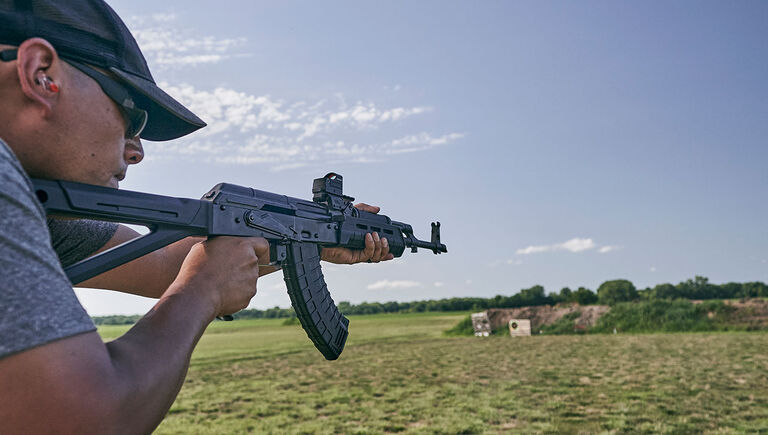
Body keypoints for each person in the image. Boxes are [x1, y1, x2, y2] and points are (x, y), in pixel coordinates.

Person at [0, 1, 391, 432]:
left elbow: (167, 267)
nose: (137, 150)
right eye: (133, 116)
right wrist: (202, 291)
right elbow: (83, 419)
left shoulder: (38, 215)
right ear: (41, 74)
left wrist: (303, 239)